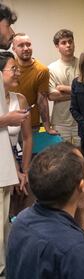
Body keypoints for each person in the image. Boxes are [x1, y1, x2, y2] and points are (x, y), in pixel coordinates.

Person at [6, 142, 84, 278]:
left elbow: (71, 235)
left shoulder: (21, 220)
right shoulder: (75, 252)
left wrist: (81, 210)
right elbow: (73, 249)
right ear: (81, 185)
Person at [0, 2, 29, 274]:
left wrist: (22, 169)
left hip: (6, 169)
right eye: (8, 25)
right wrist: (6, 121)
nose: (11, 32)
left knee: (4, 233)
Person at [1, 52, 32, 216]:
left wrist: (24, 171)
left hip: (17, 159)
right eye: (14, 69)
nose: (18, 73)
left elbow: (27, 138)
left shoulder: (20, 100)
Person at [12, 33, 57, 134]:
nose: (26, 48)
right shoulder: (8, 67)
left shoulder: (41, 70)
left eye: (28, 44)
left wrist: (47, 127)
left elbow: (42, 100)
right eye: (21, 45)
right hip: (9, 123)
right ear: (13, 49)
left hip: (31, 125)